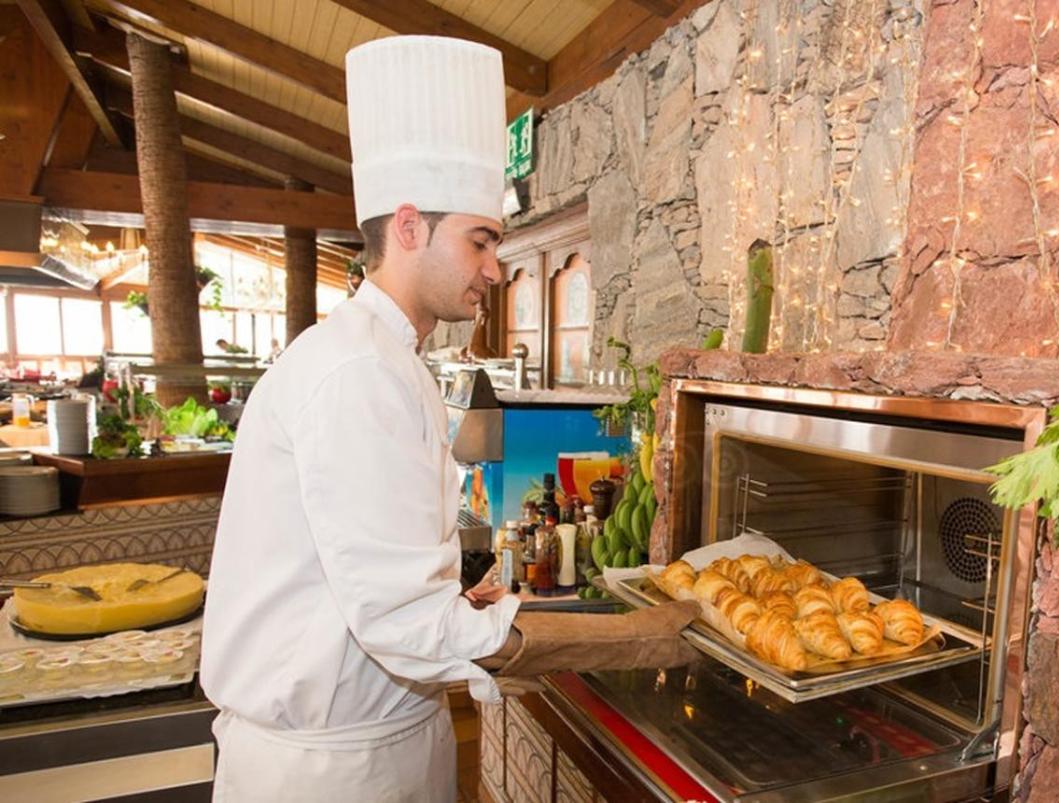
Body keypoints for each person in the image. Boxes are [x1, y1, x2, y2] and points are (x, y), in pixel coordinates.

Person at [200, 35, 698, 802]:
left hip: (380, 744)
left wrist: (462, 604)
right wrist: (630, 636)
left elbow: (374, 582)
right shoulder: (358, 373)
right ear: (408, 227)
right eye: (481, 240)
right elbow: (402, 622)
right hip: (333, 773)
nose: (495, 269)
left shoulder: (386, 358)